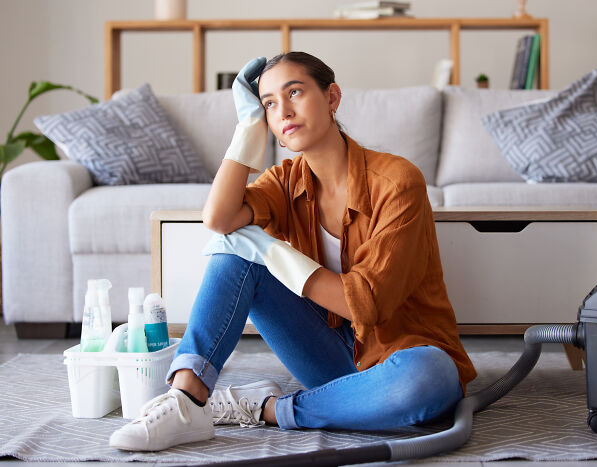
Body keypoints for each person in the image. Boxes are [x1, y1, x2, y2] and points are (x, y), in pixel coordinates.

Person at [110, 52, 477, 452]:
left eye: (295, 92)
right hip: (332, 359)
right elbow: (219, 219)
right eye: (268, 103)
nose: (282, 110)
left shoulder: (398, 181)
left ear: (332, 97)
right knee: (235, 250)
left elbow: (366, 305)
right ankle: (187, 400)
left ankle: (264, 408)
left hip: (405, 358)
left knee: (427, 378)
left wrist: (274, 253)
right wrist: (248, 127)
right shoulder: (285, 181)